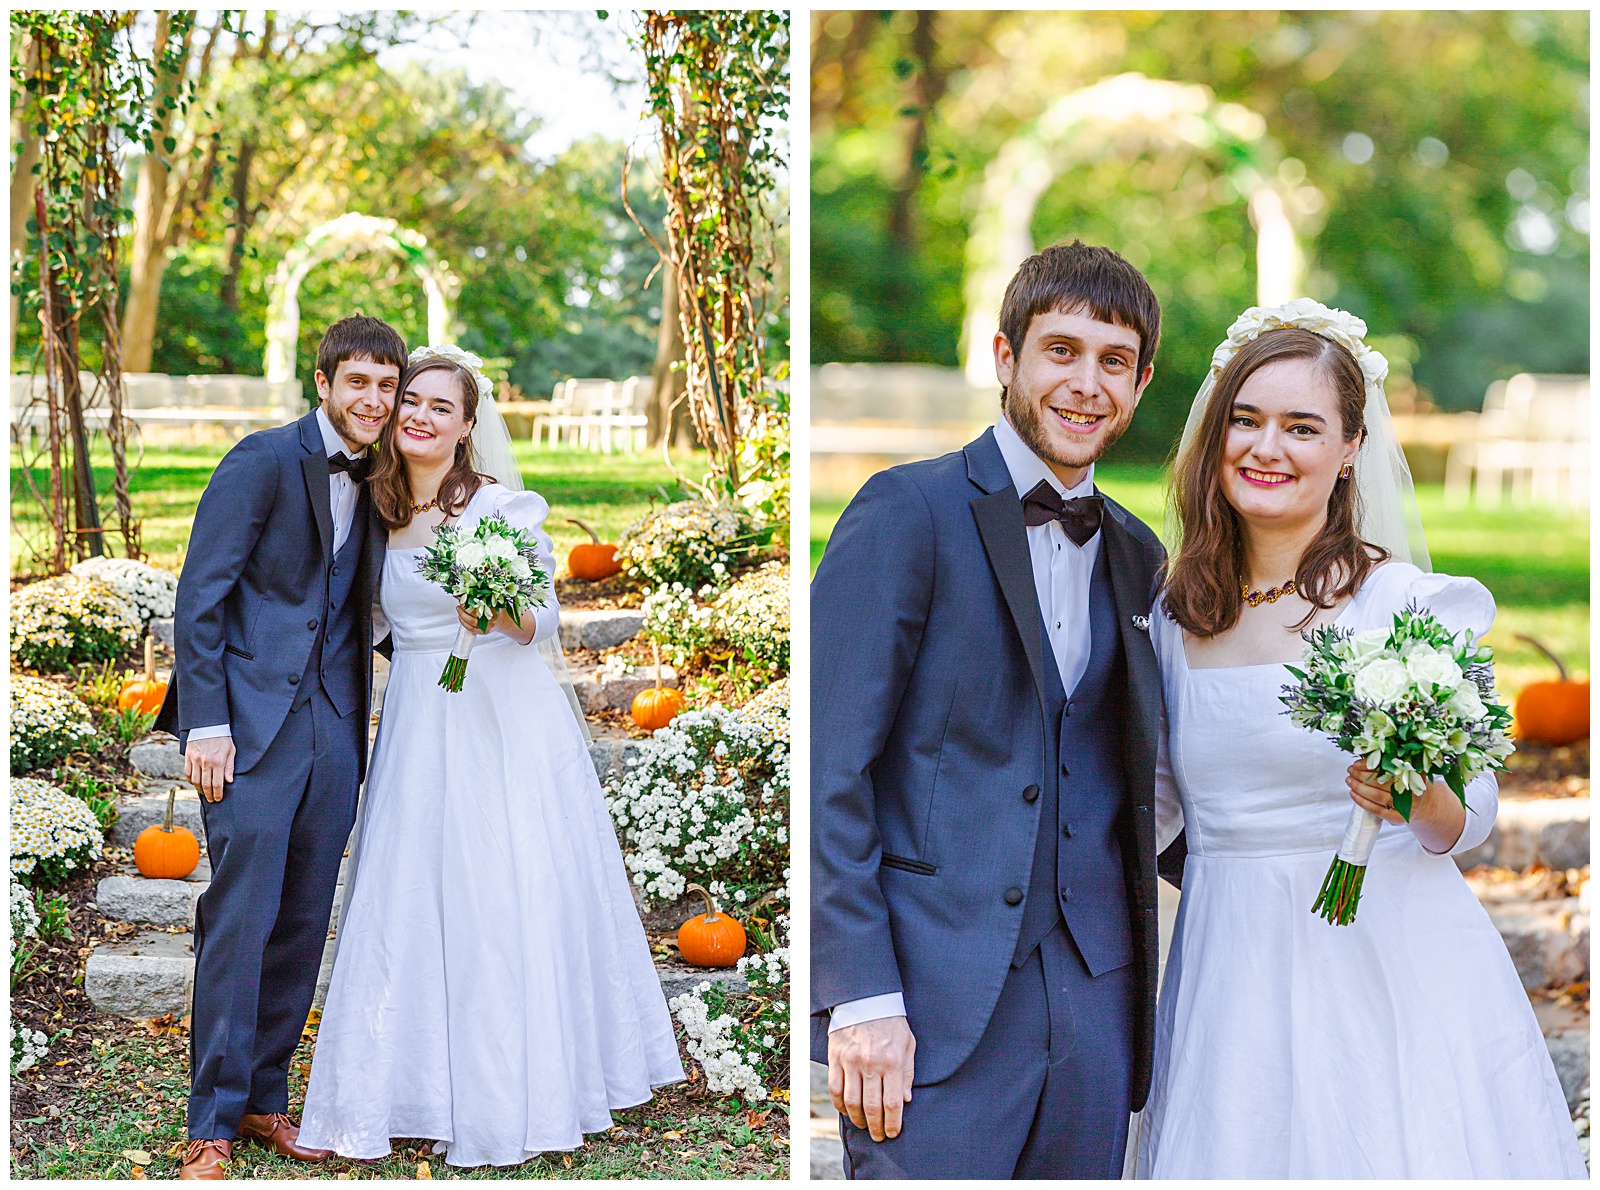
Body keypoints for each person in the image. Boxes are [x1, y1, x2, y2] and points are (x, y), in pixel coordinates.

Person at [1136, 300, 1586, 1178]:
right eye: (1247, 419)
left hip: (1387, 955)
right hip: (1228, 959)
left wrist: (1417, 790)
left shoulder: (1402, 606)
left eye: (1303, 427)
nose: (1268, 448)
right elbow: (1150, 805)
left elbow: (1470, 818)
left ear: (1349, 450)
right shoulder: (1170, 615)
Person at [811, 240, 1185, 1179]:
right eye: (1062, 350)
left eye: (1114, 361)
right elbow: (829, 768)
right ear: (1006, 356)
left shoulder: (1141, 556)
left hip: (1097, 1005)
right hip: (930, 1001)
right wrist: (860, 996)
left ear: (1140, 384)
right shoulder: (908, 512)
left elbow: (1152, 781)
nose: (1086, 384)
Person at [297, 346, 683, 1168]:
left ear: (469, 426)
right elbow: (368, 620)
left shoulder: (504, 508)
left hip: (500, 720)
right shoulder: (376, 509)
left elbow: (542, 621)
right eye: (412, 402)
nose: (421, 416)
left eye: (442, 406)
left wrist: (496, 608)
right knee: (411, 891)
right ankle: (408, 1086)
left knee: (498, 890)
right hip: (417, 722)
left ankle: (511, 1090)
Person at [155, 315, 406, 1180]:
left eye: (387, 385)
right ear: (325, 382)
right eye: (359, 383)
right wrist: (207, 724)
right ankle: (212, 1123)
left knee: (302, 923)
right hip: (249, 733)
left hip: (336, 728)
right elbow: (203, 597)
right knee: (240, 921)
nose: (373, 401)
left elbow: (371, 608)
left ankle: (266, 1098)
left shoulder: (384, 480)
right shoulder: (260, 462)